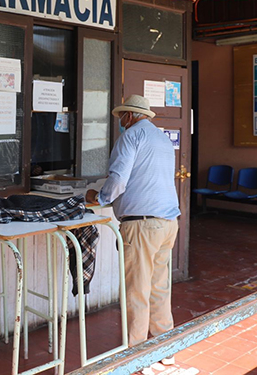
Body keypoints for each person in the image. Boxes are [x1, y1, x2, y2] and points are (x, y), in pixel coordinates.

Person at [85, 94, 180, 370]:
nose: (120, 121)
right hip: (167, 222)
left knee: (136, 290)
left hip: (141, 225)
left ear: (129, 116)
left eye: (121, 117)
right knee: (159, 287)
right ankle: (166, 347)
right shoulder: (162, 139)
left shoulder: (130, 137)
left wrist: (99, 198)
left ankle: (135, 354)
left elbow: (118, 179)